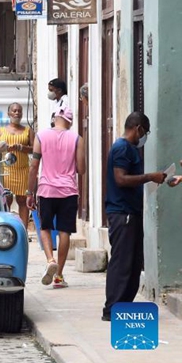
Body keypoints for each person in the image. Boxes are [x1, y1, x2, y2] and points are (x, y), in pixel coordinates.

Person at [101, 112, 166, 321]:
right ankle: (112, 309)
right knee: (122, 262)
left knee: (133, 262)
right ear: (137, 128)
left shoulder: (129, 150)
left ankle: (124, 307)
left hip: (131, 212)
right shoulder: (122, 148)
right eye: (144, 132)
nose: (144, 137)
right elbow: (120, 179)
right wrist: (150, 177)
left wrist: (162, 179)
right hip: (122, 214)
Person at [26, 106, 85, 289]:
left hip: (46, 190)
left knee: (45, 226)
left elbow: (34, 166)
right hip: (68, 190)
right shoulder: (77, 139)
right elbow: (81, 169)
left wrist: (30, 192)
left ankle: (50, 259)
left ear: (54, 119)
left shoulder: (41, 136)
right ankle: (59, 275)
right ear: (70, 121)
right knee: (64, 231)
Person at [0, 103, 33, 229]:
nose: (17, 113)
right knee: (7, 200)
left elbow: (34, 149)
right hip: (6, 171)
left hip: (22, 170)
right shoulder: (1, 131)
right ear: (9, 113)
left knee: (23, 201)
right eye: (14, 111)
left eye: (19, 111)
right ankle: (8, 228)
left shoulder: (28, 131)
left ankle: (23, 230)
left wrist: (21, 147)